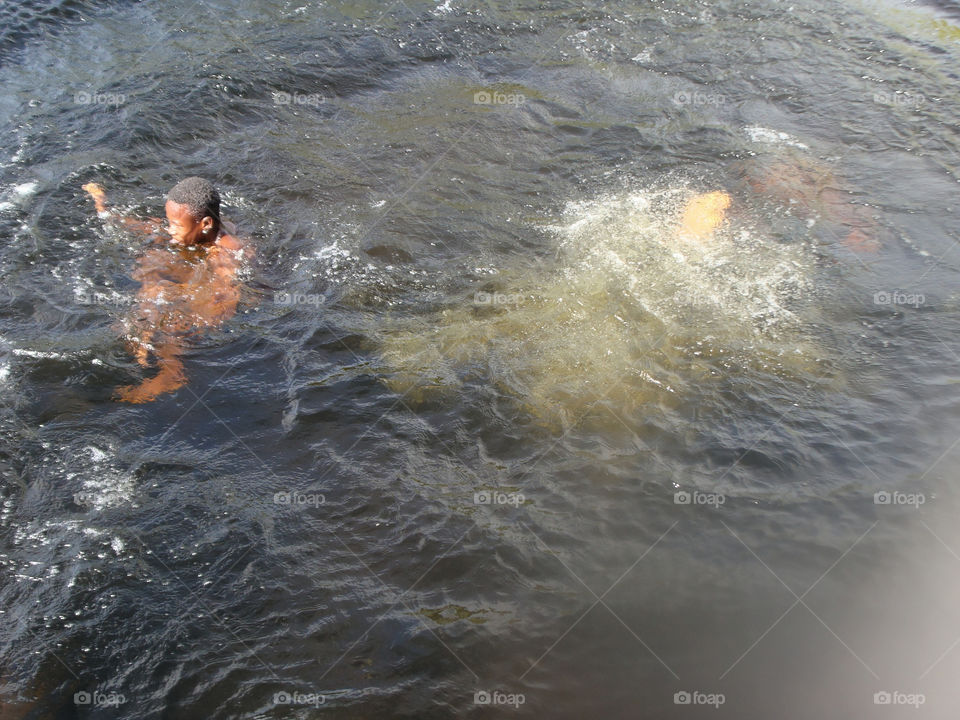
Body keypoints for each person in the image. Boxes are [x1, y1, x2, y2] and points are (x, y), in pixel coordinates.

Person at [83, 177, 251, 402]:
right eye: (169, 222)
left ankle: (173, 373)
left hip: (216, 298)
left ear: (206, 224)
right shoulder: (195, 228)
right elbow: (138, 225)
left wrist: (183, 305)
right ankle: (143, 345)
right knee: (151, 281)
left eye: (177, 225)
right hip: (196, 264)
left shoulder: (227, 251)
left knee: (168, 311)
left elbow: (225, 293)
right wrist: (101, 204)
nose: (170, 230)